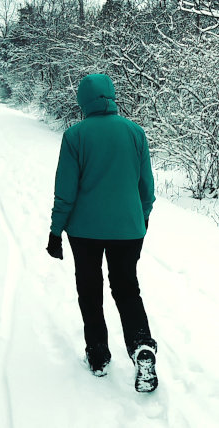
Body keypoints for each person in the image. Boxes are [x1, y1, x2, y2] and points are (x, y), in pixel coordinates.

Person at [46, 73, 158, 393]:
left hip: (84, 232)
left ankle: (98, 356)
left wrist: (56, 231)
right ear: (111, 96)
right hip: (128, 229)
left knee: (90, 289)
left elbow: (65, 190)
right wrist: (142, 218)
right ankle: (141, 346)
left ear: (83, 101)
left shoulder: (75, 136)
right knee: (126, 288)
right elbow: (146, 187)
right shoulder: (136, 132)